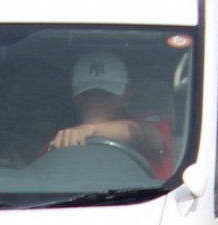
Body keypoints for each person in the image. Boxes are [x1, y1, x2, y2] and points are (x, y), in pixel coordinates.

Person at [49, 51, 175, 180]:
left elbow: (141, 134)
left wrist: (89, 131)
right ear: (76, 98)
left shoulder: (151, 122)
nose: (95, 102)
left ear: (125, 97)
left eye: (105, 95)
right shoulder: (62, 140)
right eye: (87, 95)